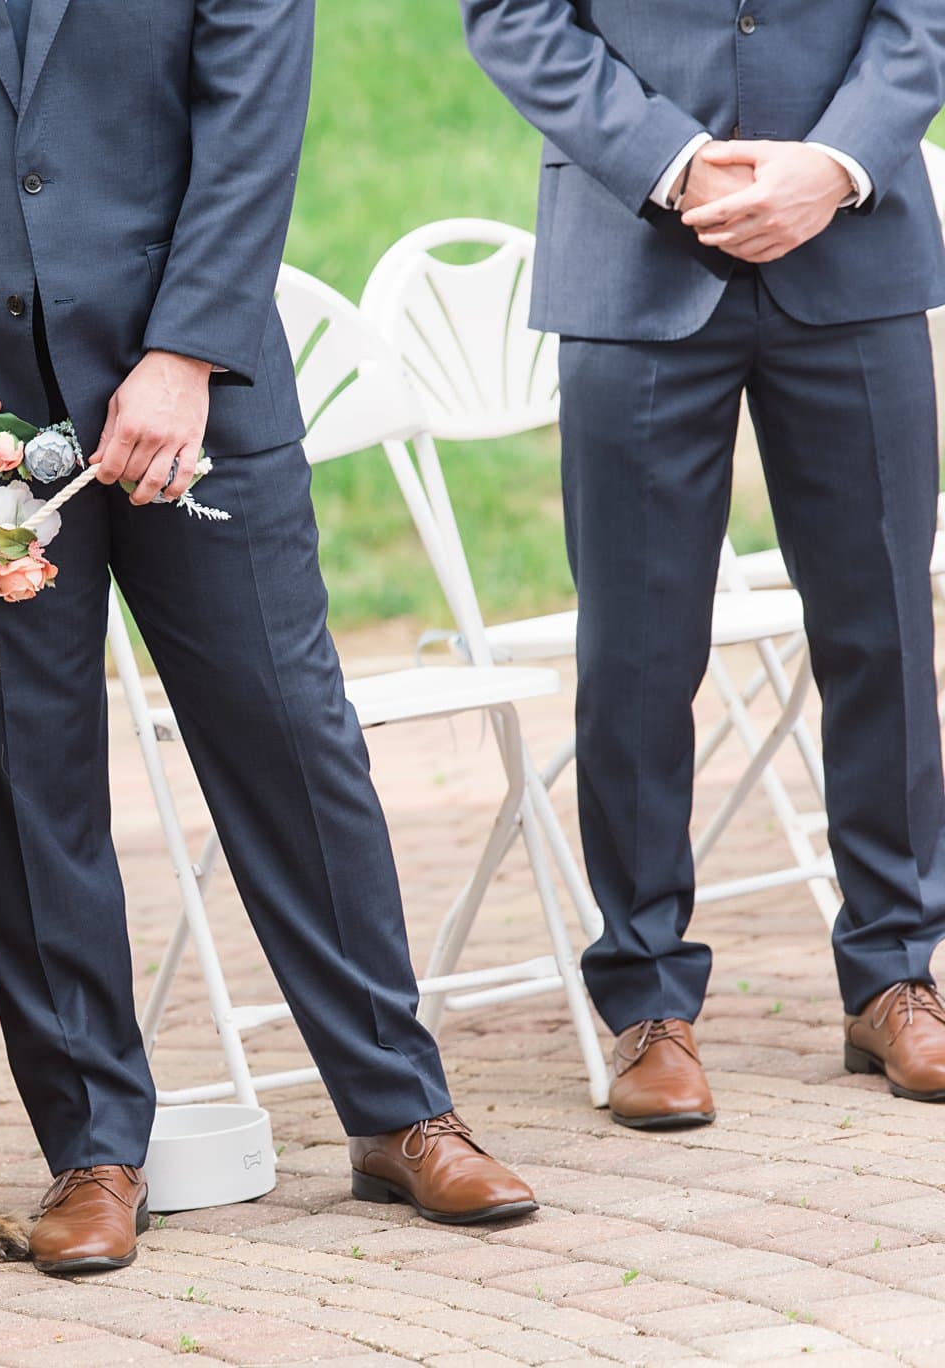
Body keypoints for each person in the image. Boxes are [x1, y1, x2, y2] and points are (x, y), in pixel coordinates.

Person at [0, 0, 536, 1275]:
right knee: (24, 786)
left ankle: (398, 1111)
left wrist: (183, 350)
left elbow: (249, 106)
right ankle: (94, 1148)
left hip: (192, 385)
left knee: (289, 743)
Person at [461, 0, 945, 1127]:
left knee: (883, 633)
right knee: (635, 652)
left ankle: (892, 973)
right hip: (630, 258)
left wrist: (833, 164)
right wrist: (672, 163)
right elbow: (513, 17)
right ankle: (644, 999)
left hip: (856, 251)